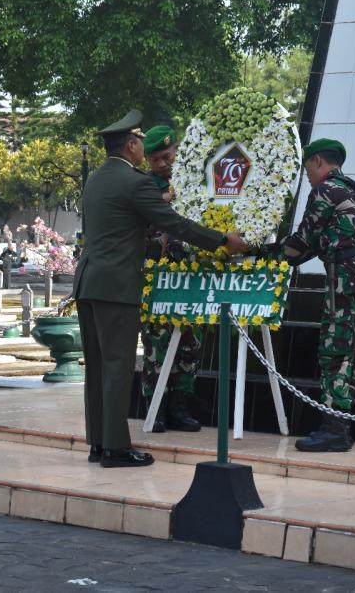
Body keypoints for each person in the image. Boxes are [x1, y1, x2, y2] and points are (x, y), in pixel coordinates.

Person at [74, 110, 248, 468]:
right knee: (118, 367)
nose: (144, 150)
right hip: (117, 286)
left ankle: (99, 444)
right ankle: (116, 450)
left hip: (88, 282)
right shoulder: (135, 182)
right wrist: (222, 240)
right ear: (131, 145)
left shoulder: (95, 180)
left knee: (98, 367)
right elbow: (175, 224)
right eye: (141, 143)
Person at [268, 138, 355, 452]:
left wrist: (264, 254)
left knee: (335, 354)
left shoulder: (324, 190)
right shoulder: (352, 190)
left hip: (347, 281)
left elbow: (303, 241)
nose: (306, 175)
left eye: (307, 167)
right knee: (352, 355)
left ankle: (334, 430)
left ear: (318, 161)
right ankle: (340, 427)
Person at [138, 125, 203, 432]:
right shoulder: (144, 186)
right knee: (156, 344)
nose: (163, 164)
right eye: (156, 160)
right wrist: (168, 197)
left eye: (168, 156)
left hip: (190, 275)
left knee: (190, 344)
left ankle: (180, 406)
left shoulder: (195, 178)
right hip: (158, 277)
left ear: (177, 150)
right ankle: (156, 408)